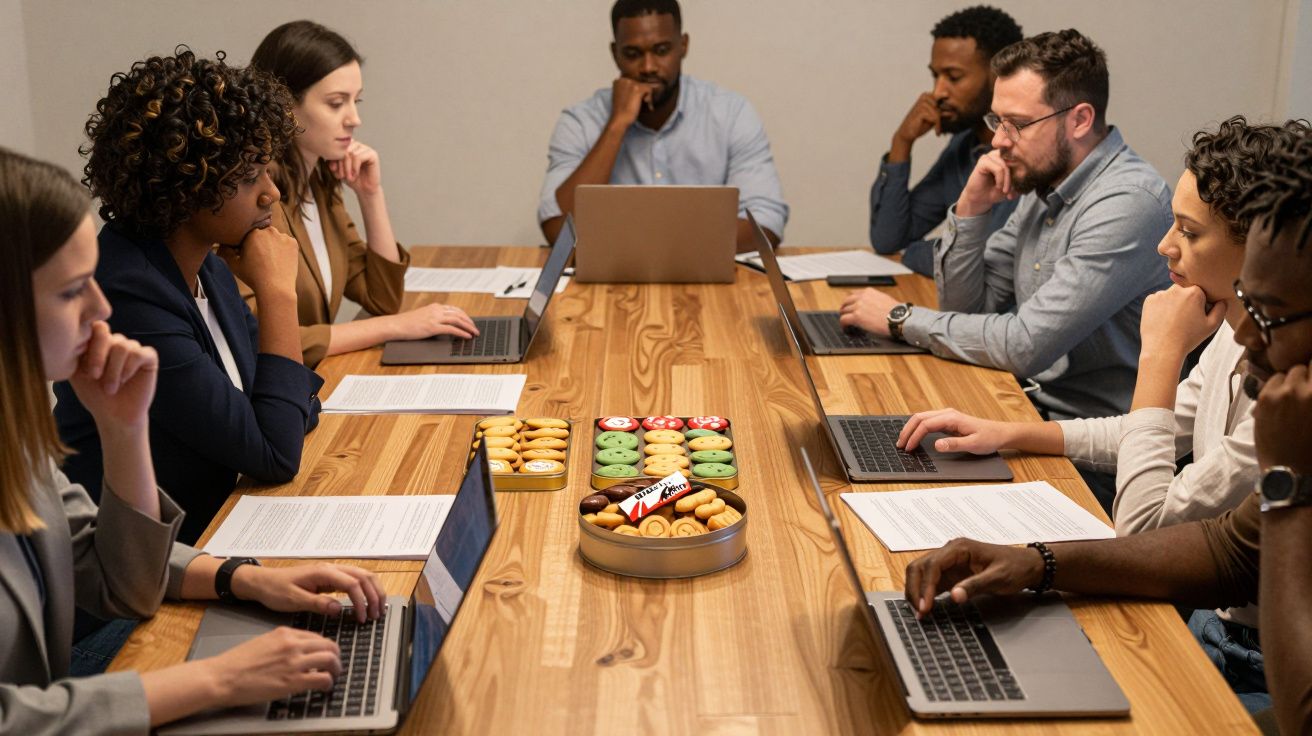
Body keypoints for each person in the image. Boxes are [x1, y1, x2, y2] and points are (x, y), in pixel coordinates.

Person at [901, 126, 1312, 725]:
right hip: (1218, 627)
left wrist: (1286, 476)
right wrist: (1037, 563)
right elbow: (1229, 550)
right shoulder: (1261, 350)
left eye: (1265, 313)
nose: (1243, 332)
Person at [0, 146, 386, 735]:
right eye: (74, 289)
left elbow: (123, 580)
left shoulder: (13, 430)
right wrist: (217, 681)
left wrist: (245, 576)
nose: (102, 307)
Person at [897, 117, 1307, 534]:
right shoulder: (1231, 330)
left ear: (1262, 249)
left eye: (1189, 231)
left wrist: (1161, 355)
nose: (1165, 246)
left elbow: (1140, 528)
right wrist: (1008, 433)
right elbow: (1143, 430)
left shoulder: (1293, 392)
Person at [839, 29, 1172, 508]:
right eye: (997, 120)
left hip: (1093, 457)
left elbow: (1023, 345)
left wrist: (899, 319)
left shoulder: (1126, 204)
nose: (998, 140)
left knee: (903, 502)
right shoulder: (1046, 184)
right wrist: (971, 208)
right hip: (1022, 410)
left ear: (1080, 119)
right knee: (867, 451)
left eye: (1016, 123)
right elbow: (967, 306)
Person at [53, 48, 323, 544]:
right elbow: (276, 451)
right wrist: (279, 294)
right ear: (185, 189)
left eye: (266, 171)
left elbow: (293, 402)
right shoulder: (127, 295)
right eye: (248, 179)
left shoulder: (206, 266)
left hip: (217, 532)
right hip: (140, 580)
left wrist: (272, 414)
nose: (272, 194)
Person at [246, 20, 477, 368]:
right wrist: (393, 327)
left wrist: (371, 194)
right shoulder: (252, 199)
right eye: (337, 103)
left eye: (356, 101)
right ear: (283, 106)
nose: (355, 119)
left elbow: (381, 297)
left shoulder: (320, 183)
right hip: (276, 394)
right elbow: (261, 336)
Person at [537, 0, 788, 251]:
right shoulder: (580, 122)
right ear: (615, 54)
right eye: (633, 54)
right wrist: (616, 124)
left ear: (683, 46)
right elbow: (559, 232)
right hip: (610, 285)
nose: (648, 67)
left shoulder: (731, 113)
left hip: (706, 280)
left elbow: (766, 222)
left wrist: (655, 250)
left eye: (661, 50)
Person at [869, 5, 1022, 276]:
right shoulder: (964, 146)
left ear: (999, 75)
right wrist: (902, 142)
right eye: (935, 76)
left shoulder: (1029, 151)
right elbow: (888, 239)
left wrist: (915, 252)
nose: (937, 92)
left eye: (953, 77)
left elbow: (983, 263)